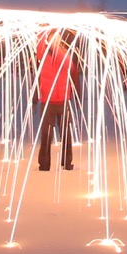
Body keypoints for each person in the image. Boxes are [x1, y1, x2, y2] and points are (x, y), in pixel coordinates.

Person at [34, 25, 78, 171]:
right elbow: (39, 43)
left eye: (56, 37)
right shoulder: (43, 54)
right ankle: (44, 165)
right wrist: (45, 28)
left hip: (64, 100)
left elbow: (72, 70)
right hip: (48, 101)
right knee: (46, 135)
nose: (54, 40)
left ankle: (67, 163)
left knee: (66, 134)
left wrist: (76, 95)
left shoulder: (64, 54)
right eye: (52, 38)